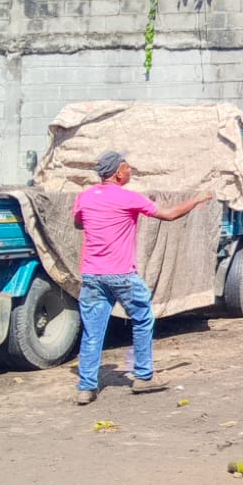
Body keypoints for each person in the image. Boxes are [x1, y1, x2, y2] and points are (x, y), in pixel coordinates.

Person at [71, 150, 213, 405]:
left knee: (92, 332)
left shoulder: (85, 197)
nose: (130, 171)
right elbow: (169, 215)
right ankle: (143, 376)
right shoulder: (128, 199)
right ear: (117, 173)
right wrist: (197, 200)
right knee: (143, 317)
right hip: (122, 274)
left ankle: (86, 387)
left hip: (92, 275)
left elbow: (80, 223)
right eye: (127, 167)